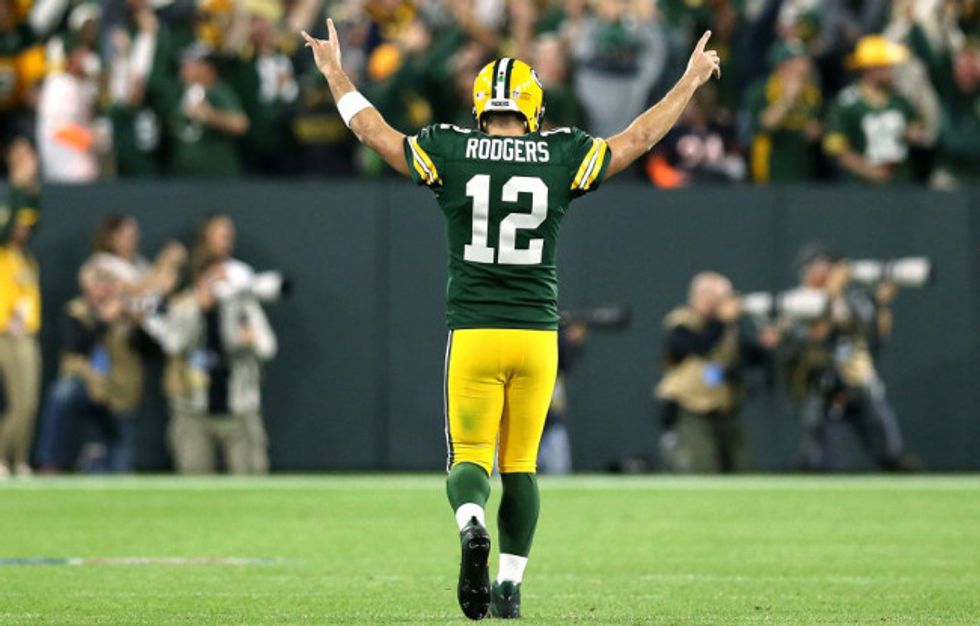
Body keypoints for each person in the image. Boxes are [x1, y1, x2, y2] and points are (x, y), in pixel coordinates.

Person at [302, 18, 721, 621]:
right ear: (533, 108)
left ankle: (472, 523)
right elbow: (639, 137)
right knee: (521, 465)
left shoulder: (450, 148)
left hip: (475, 332)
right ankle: (510, 586)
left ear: (481, 107)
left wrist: (335, 71)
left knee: (469, 459)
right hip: (536, 336)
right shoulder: (562, 152)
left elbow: (372, 131)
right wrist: (689, 80)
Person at [780, 244, 917, 472]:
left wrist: (882, 302)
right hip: (821, 383)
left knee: (889, 451)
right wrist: (832, 293)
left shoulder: (852, 298)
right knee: (821, 458)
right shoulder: (797, 300)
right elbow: (817, 336)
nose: (825, 273)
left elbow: (874, 332)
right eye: (819, 267)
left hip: (857, 378)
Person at [161, 214, 276, 475]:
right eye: (210, 276)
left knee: (251, 480)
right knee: (194, 479)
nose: (216, 282)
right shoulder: (185, 304)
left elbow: (268, 346)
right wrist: (197, 311)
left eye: (221, 275)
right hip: (193, 407)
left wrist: (251, 341)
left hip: (239, 406)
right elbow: (173, 345)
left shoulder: (242, 304)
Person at [655, 272, 776, 473]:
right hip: (692, 408)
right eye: (722, 297)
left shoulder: (728, 329)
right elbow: (698, 345)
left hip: (726, 409)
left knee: (741, 467)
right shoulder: (682, 321)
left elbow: (748, 357)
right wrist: (723, 321)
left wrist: (767, 345)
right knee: (703, 467)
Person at [34, 264, 145, 473]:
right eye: (98, 284)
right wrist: (103, 321)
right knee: (62, 392)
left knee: (120, 468)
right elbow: (75, 347)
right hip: (88, 384)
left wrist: (137, 324)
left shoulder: (126, 314)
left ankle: (97, 463)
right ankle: (50, 462)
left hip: (119, 390)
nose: (103, 290)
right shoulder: (76, 311)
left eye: (107, 284)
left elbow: (149, 350)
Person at [823, 35, 925, 184]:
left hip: (900, 182)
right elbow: (836, 148)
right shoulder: (847, 103)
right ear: (870, 69)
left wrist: (912, 133)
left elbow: (915, 126)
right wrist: (868, 171)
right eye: (886, 67)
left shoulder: (899, 100)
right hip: (861, 186)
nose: (891, 72)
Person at [0, 137, 41, 478]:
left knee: (28, 403)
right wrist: (15, 186)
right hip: (5, 334)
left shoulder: (25, 258)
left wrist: (31, 192)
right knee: (17, 401)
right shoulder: (1, 253)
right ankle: (2, 458)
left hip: (26, 332)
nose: (22, 228)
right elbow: (6, 225)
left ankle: (20, 460)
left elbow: (32, 218)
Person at [744, 40, 823, 184]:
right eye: (800, 61)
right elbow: (764, 126)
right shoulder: (761, 90)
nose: (807, 66)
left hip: (803, 171)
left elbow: (814, 127)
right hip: (769, 170)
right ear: (783, 66)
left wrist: (815, 131)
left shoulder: (811, 93)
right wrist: (788, 98)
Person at [170, 44, 249, 177]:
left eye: (190, 64)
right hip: (182, 174)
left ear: (207, 67)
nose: (183, 69)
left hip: (215, 176)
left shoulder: (218, 92)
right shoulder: (178, 92)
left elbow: (241, 124)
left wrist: (210, 115)